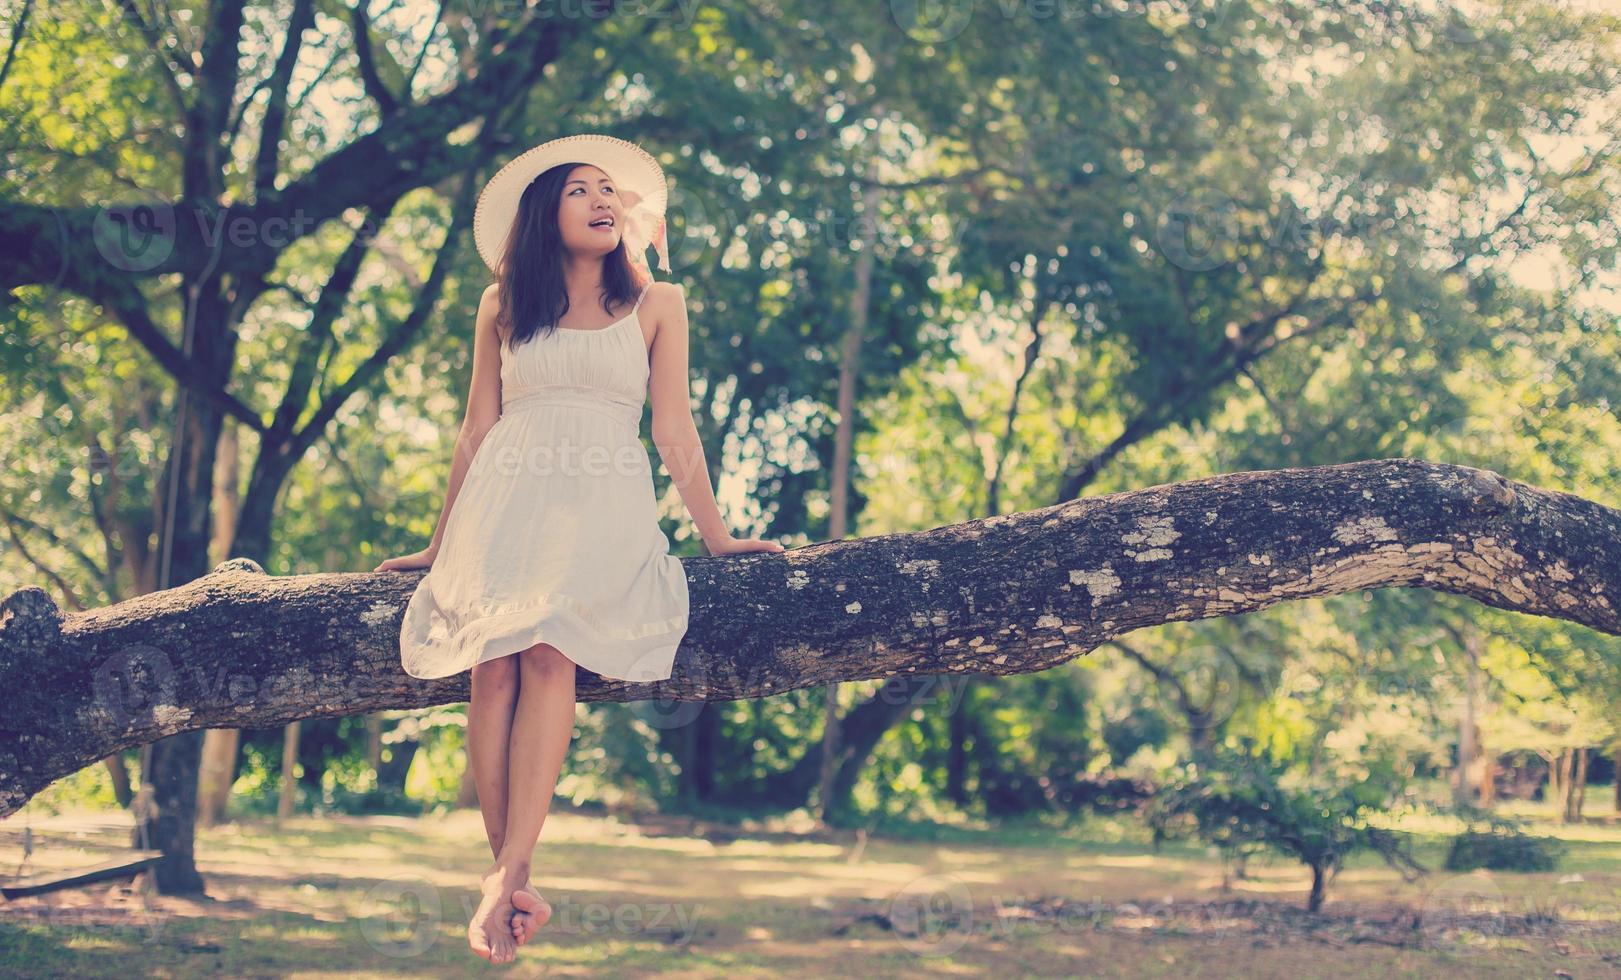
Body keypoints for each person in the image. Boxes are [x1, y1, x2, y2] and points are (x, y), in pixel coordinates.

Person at [375, 134, 784, 963]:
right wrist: (437, 544)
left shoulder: (659, 301)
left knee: (551, 652)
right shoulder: (502, 306)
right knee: (490, 667)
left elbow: (673, 426)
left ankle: (504, 878)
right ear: (542, 215)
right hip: (507, 498)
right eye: (580, 191)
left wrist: (717, 536)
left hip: (601, 497)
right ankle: (509, 880)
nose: (603, 200)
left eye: (610, 191)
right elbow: (475, 427)